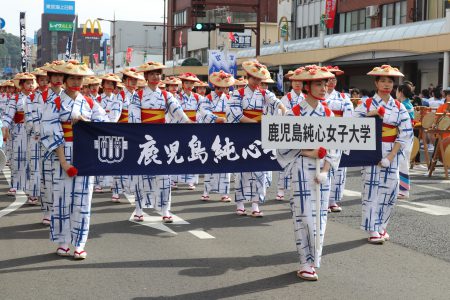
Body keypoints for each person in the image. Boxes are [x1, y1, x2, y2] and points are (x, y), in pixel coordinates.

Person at [276, 65, 341, 281]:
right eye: (318, 84)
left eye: (325, 83)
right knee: (303, 213)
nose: (323, 88)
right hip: (302, 167)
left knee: (320, 216)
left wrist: (324, 170)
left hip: (322, 170)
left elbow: (335, 147)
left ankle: (314, 262)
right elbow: (283, 146)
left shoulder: (329, 113)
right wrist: (308, 150)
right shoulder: (295, 113)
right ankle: (305, 261)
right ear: (307, 86)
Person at [40, 60, 106, 259]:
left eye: (80, 77)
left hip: (85, 153)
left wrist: (85, 122)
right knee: (61, 198)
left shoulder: (90, 102)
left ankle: (79, 243)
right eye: (73, 77)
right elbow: (50, 130)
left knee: (83, 199)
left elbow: (104, 124)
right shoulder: (54, 102)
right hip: (62, 152)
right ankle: (63, 242)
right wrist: (63, 162)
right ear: (65, 80)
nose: (77, 81)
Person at [354, 65, 413, 244]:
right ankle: (372, 228)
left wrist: (390, 156)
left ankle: (381, 226)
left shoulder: (399, 106)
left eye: (390, 81)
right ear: (376, 82)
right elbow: (352, 124)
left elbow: (405, 132)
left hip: (391, 152)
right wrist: (370, 115)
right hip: (371, 149)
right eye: (383, 81)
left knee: (391, 190)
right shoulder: (366, 103)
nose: (387, 85)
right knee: (371, 189)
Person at [128, 61, 191, 223]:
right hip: (144, 141)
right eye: (152, 73)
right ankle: (139, 209)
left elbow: (177, 112)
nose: (156, 76)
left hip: (162, 140)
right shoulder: (138, 95)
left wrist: (189, 123)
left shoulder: (166, 95)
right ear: (146, 76)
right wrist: (137, 137)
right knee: (142, 175)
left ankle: (165, 209)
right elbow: (134, 119)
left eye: (158, 73)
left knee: (164, 176)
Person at [227, 60, 286, 217]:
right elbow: (235, 114)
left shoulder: (265, 93)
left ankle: (255, 204)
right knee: (241, 171)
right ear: (247, 78)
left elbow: (276, 102)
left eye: (260, 79)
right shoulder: (237, 94)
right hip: (242, 134)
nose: (257, 82)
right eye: (254, 78)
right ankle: (240, 203)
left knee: (260, 170)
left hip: (259, 135)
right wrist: (254, 122)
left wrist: (283, 108)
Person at [37, 61, 65, 225]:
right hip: (46, 142)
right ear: (49, 77)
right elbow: (37, 119)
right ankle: (47, 211)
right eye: (55, 75)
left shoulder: (66, 95)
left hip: (65, 142)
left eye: (61, 75)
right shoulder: (41, 96)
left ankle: (59, 209)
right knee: (47, 178)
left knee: (61, 178)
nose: (58, 78)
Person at [111, 68, 145, 203]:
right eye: (130, 79)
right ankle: (116, 190)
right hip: (122, 131)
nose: (133, 82)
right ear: (124, 81)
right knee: (120, 161)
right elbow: (114, 115)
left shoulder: (139, 95)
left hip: (136, 132)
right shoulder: (120, 95)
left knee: (135, 161)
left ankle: (132, 188)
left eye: (135, 79)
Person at [201, 71, 235, 202]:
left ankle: (224, 192)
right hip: (212, 130)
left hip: (226, 132)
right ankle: (206, 191)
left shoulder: (230, 99)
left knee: (226, 161)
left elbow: (234, 113)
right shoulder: (207, 99)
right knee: (210, 160)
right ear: (215, 86)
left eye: (226, 87)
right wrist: (216, 118)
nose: (223, 90)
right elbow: (204, 113)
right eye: (220, 87)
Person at [325, 66, 354, 213]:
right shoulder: (318, 96)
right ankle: (323, 199)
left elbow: (349, 116)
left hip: (339, 135)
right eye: (328, 79)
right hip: (322, 134)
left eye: (334, 79)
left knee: (339, 169)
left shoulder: (343, 97)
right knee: (324, 167)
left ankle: (333, 200)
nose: (331, 81)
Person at [2, 72, 36, 197]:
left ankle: (31, 186)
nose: (31, 85)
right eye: (28, 83)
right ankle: (15, 185)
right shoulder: (15, 98)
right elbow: (8, 115)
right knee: (18, 159)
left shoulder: (36, 97)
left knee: (32, 159)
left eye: (32, 82)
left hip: (34, 131)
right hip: (19, 130)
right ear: (21, 85)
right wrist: (4, 126)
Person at [275, 69, 306, 201]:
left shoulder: (305, 97)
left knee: (299, 163)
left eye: (300, 81)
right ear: (291, 82)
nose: (298, 84)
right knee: (285, 161)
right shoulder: (285, 98)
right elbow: (283, 115)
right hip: (288, 130)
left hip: (302, 131)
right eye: (295, 81)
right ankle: (280, 189)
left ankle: (296, 190)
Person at [396, 84, 414, 199]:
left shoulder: (403, 105)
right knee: (403, 162)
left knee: (402, 163)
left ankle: (403, 190)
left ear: (401, 92)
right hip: (407, 135)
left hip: (404, 136)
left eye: (397, 91)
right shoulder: (407, 103)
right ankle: (402, 189)